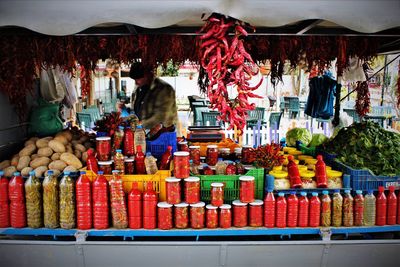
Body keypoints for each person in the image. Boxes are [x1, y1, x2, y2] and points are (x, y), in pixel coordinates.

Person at [129, 62, 178, 129]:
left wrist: (139, 124)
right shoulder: (140, 88)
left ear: (147, 75)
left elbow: (161, 116)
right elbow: (138, 109)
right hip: (145, 132)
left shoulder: (164, 89)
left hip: (163, 133)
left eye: (138, 79)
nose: (136, 82)